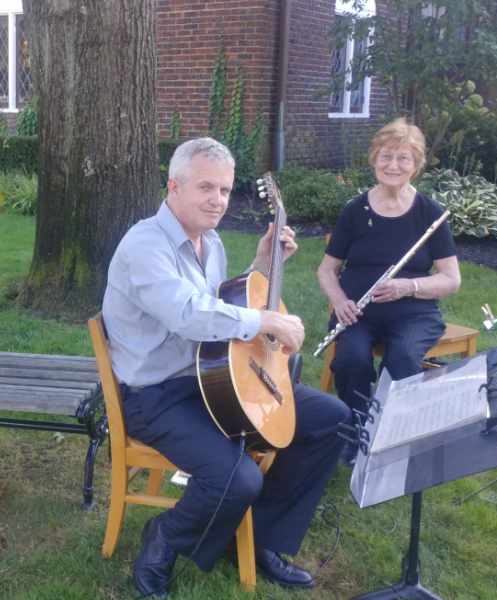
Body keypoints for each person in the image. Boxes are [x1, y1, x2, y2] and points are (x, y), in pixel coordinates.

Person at [102, 137, 350, 598]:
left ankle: (265, 538)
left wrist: (261, 261)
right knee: (236, 477)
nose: (218, 201)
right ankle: (163, 539)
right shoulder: (144, 245)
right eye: (205, 188)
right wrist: (265, 320)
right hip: (155, 395)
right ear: (173, 187)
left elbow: (218, 302)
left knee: (330, 421)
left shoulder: (208, 241)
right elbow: (187, 314)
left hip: (211, 378)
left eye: (225, 190)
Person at [317, 118, 461, 460]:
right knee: (350, 358)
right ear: (374, 159)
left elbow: (451, 279)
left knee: (405, 356)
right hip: (358, 311)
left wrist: (407, 286)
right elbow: (326, 269)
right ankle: (355, 428)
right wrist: (339, 301)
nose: (393, 165)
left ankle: (390, 428)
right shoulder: (355, 210)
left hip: (413, 311)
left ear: (416, 165)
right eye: (386, 157)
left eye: (403, 158)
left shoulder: (431, 214)